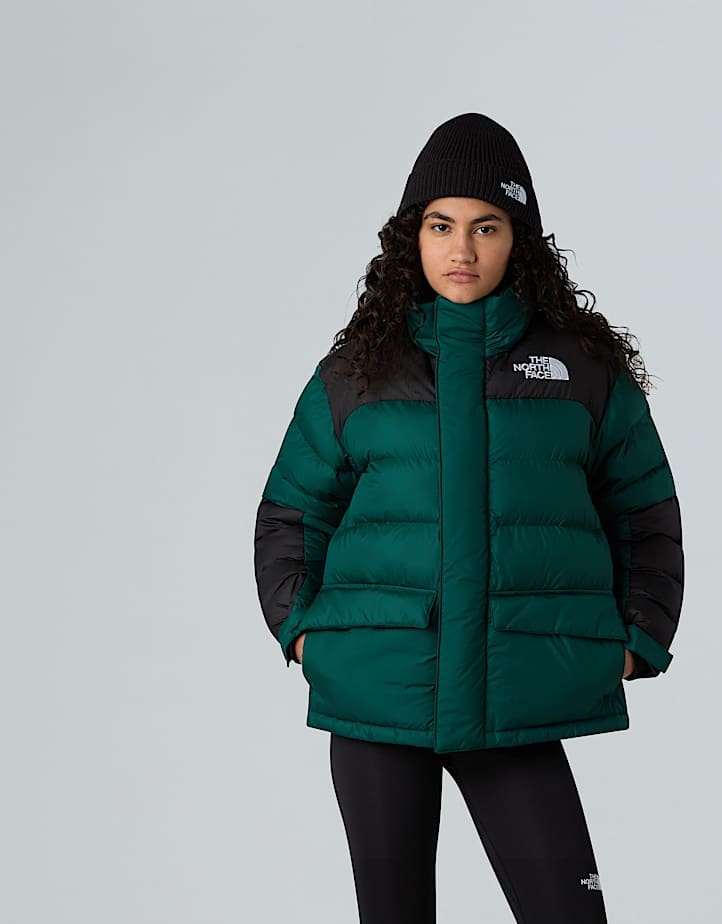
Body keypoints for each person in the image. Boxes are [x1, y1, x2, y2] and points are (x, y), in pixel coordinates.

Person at [253, 112, 684, 924]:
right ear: (411, 238)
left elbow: (645, 516)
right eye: (441, 225)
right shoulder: (356, 373)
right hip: (378, 691)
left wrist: (636, 639)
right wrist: (306, 631)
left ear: (518, 240)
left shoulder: (583, 372)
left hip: (520, 693)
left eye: (486, 226)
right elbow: (290, 514)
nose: (462, 249)